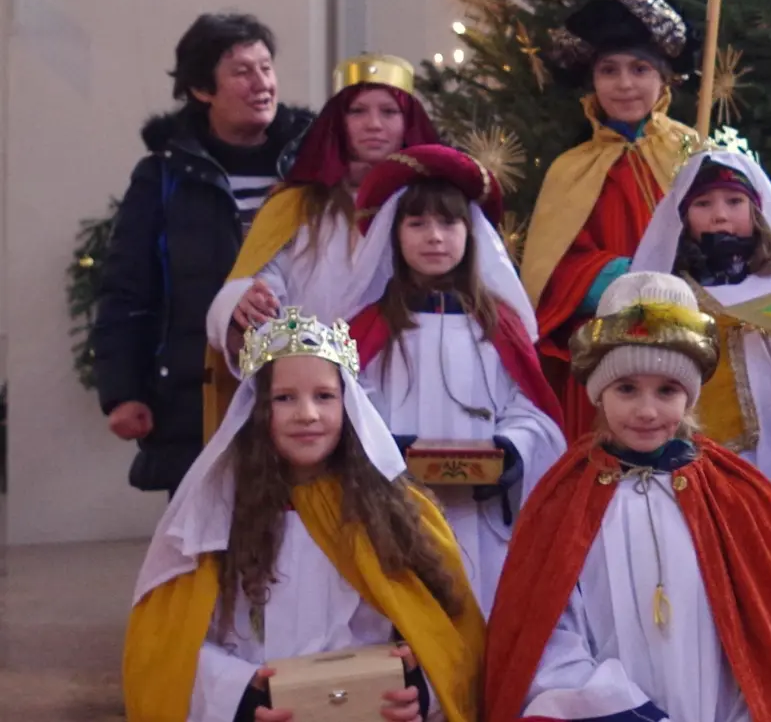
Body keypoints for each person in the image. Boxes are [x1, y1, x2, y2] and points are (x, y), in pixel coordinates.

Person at [483, 272, 771, 722]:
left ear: (690, 397)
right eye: (626, 389)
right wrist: (612, 707)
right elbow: (545, 632)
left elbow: (767, 641)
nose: (646, 411)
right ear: (600, 393)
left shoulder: (743, 499)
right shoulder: (562, 499)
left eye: (667, 390)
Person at [122, 309, 484, 721]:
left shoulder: (399, 512)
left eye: (324, 396)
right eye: (285, 397)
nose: (307, 414)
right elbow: (170, 643)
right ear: (257, 411)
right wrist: (242, 697)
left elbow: (452, 631)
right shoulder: (212, 517)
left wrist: (420, 688)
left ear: (349, 406)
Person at [95, 12, 313, 494]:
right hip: (199, 395)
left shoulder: (312, 163)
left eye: (266, 68)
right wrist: (122, 392)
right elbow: (128, 288)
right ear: (201, 89)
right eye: (242, 72)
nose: (262, 84)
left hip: (305, 390)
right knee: (205, 555)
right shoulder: (164, 176)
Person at [343, 145, 566, 608]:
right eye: (417, 223)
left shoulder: (500, 326)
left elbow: (531, 409)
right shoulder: (368, 327)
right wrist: (389, 450)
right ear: (394, 234)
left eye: (449, 223)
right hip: (396, 507)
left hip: (482, 520)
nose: (435, 237)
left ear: (471, 234)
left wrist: (510, 452)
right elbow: (348, 401)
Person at [203, 53, 439, 439]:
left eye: (389, 112)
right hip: (315, 399)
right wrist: (242, 300)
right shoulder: (297, 206)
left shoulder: (440, 208)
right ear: (338, 123)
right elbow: (263, 282)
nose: (374, 124)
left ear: (408, 122)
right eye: (358, 111)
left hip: (416, 391)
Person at [519, 0, 702, 441]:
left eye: (639, 70)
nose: (624, 85)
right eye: (609, 71)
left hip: (686, 338)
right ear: (592, 82)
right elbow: (551, 270)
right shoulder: (570, 169)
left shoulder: (694, 154)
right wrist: (619, 278)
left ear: (665, 80)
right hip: (605, 344)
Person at [632, 146, 771, 503]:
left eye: (734, 201)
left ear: (756, 210)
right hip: (703, 453)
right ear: (683, 218)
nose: (720, 216)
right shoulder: (669, 298)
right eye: (703, 204)